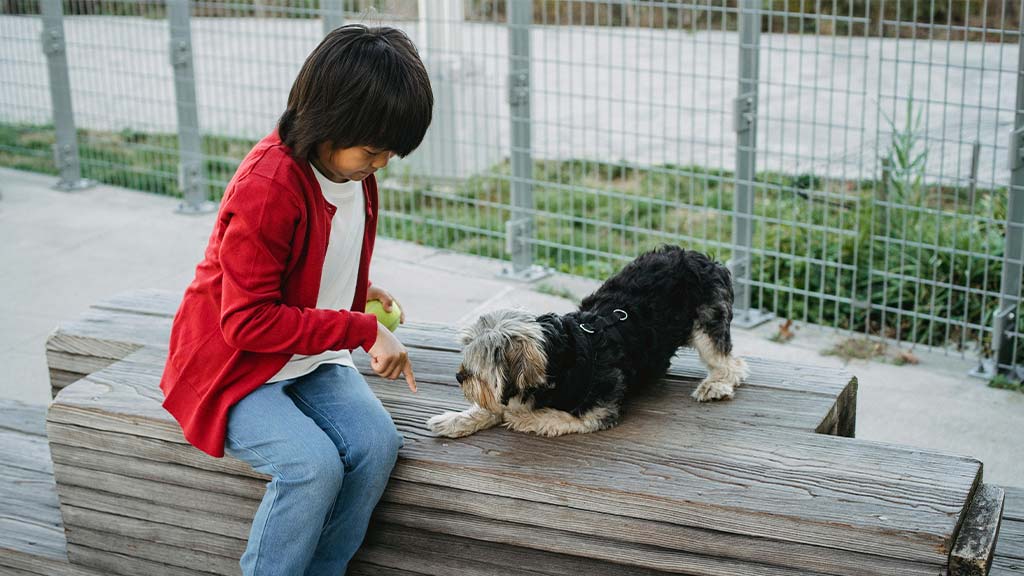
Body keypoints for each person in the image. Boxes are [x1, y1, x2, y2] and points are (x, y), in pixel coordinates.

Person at [158, 24, 433, 575]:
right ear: (330, 122)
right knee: (311, 466)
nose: (380, 165)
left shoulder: (350, 172)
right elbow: (247, 322)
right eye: (374, 150)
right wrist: (360, 327)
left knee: (378, 445)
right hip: (234, 368)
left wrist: (360, 290)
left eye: (389, 154)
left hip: (305, 359)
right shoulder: (267, 188)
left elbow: (320, 251)